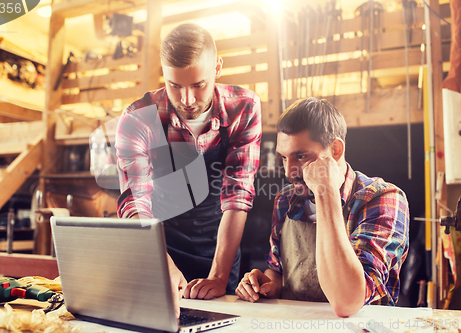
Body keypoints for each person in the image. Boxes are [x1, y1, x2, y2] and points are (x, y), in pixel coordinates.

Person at [115, 22, 262, 314]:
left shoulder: (243, 107)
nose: (187, 100)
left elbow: (237, 194)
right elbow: (135, 204)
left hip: (218, 243)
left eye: (199, 85)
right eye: (175, 86)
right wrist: (161, 264)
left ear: (217, 67)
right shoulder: (138, 118)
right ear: (164, 74)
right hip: (160, 242)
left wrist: (219, 276)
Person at [235, 97, 409, 317]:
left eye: (300, 156)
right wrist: (265, 283)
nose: (289, 172)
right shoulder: (285, 199)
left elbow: (348, 300)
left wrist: (325, 191)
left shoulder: (383, 199)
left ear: (335, 150)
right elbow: (278, 271)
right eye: (284, 158)